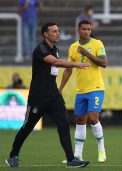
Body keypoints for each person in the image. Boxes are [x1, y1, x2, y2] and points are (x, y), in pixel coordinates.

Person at [5, 22, 90, 168]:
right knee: (27, 127)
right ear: (46, 34)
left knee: (63, 125)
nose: (58, 33)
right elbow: (56, 63)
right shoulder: (41, 49)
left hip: (54, 95)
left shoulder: (55, 49)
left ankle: (71, 160)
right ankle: (13, 155)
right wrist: (76, 64)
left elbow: (54, 66)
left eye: (58, 31)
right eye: (54, 31)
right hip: (38, 97)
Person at [59, 20, 107, 163]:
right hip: (81, 90)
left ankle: (101, 149)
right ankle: (78, 155)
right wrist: (60, 88)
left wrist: (87, 53)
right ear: (78, 30)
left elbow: (104, 63)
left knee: (93, 118)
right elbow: (68, 69)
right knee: (80, 121)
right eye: (84, 29)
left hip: (96, 88)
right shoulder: (73, 47)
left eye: (88, 29)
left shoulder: (97, 44)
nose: (86, 31)